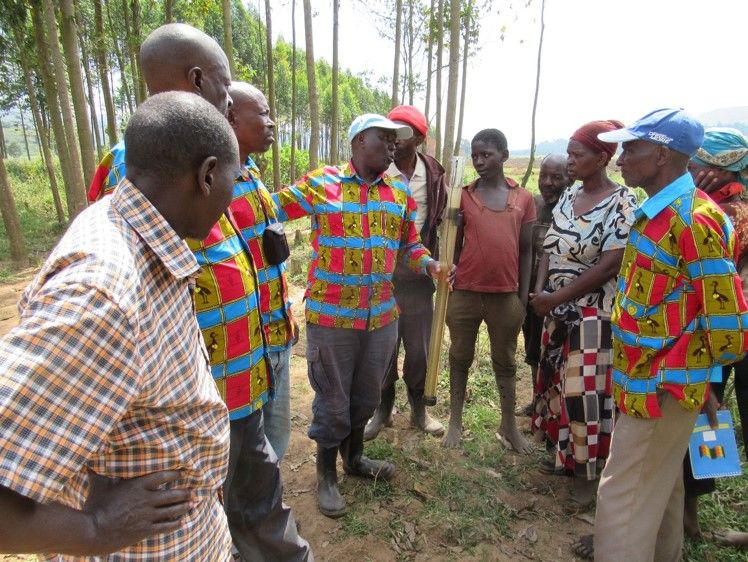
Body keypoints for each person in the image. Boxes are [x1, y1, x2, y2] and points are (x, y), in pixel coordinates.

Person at [87, 26, 311, 562]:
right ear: (197, 80)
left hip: (241, 371)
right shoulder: (139, 164)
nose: (230, 100)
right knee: (226, 502)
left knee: (253, 494)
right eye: (225, 86)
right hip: (196, 391)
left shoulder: (209, 157)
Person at [0, 92, 238, 559]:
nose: (232, 200)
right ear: (207, 175)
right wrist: (96, 527)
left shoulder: (137, 231)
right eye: (235, 179)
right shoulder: (105, 293)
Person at [579, 108, 748, 562]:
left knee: (623, 497)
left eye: (631, 148)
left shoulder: (693, 220)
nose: (620, 158)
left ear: (662, 154)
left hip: (662, 386)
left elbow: (727, 319)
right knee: (661, 485)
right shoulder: (658, 213)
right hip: (647, 380)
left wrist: (693, 376)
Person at [272, 114, 445, 518]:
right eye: (383, 139)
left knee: (366, 395)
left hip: (382, 317)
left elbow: (410, 245)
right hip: (332, 317)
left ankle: (355, 460)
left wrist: (429, 264)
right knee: (333, 399)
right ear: (358, 141)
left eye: (394, 141)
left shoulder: (399, 193)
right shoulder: (322, 184)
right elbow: (271, 209)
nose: (392, 147)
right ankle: (326, 476)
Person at [529, 121, 637, 511]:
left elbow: (611, 264)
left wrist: (557, 295)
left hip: (595, 314)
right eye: (569, 153)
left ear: (602, 158)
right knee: (557, 385)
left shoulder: (622, 203)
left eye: (578, 155)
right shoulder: (571, 194)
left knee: (584, 395)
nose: (570, 162)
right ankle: (566, 460)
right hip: (556, 308)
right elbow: (549, 246)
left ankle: (588, 479)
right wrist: (543, 294)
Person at [443, 128, 536, 454]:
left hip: (505, 296)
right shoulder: (462, 196)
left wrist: (521, 299)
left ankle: (508, 424)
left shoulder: (523, 199)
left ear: (504, 156)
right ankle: (455, 419)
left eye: (487, 155)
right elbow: (451, 244)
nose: (480, 161)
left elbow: (527, 251)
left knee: (505, 360)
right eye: (476, 155)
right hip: (465, 293)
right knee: (459, 356)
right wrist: (450, 282)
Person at [364, 105, 447, 441]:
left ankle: (418, 410)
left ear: (420, 138)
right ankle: (382, 410)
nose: (395, 139)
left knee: (418, 350)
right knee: (383, 348)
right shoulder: (376, 172)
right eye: (390, 131)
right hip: (381, 278)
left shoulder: (434, 175)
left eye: (403, 132)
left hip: (418, 278)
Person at [682, 127, 748, 538]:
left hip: (724, 334)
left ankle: (691, 516)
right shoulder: (708, 208)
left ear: (717, 169)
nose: (689, 172)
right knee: (705, 418)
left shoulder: (728, 215)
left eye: (696, 166)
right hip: (717, 336)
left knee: (707, 416)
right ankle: (690, 517)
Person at [227, 82, 298, 462]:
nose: (272, 124)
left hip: (276, 332)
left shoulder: (251, 173)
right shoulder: (212, 185)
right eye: (264, 114)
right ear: (232, 116)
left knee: (275, 440)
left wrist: (285, 317)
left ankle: (266, 514)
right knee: (244, 454)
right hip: (244, 347)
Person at [518, 154, 572, 429]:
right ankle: (537, 399)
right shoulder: (535, 205)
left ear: (569, 179)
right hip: (531, 292)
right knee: (532, 347)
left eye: (556, 177)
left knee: (558, 353)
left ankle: (555, 407)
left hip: (562, 296)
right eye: (544, 176)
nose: (548, 183)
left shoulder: (575, 209)